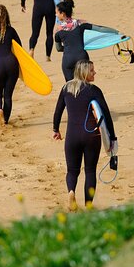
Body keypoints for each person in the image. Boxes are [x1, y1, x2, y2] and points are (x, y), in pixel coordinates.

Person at [53, 60, 116, 211]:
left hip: (72, 136)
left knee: (72, 170)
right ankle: (88, 206)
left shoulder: (66, 88)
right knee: (90, 170)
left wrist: (56, 129)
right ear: (84, 72)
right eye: (92, 70)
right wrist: (112, 138)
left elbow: (58, 111)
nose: (95, 73)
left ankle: (71, 192)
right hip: (91, 136)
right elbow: (106, 115)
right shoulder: (94, 90)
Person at [54, 0, 92, 82]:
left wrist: (69, 47)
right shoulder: (81, 23)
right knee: (85, 84)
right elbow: (98, 29)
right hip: (82, 57)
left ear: (62, 13)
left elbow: (58, 48)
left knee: (71, 86)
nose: (56, 15)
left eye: (57, 12)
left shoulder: (58, 30)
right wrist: (115, 33)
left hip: (68, 59)